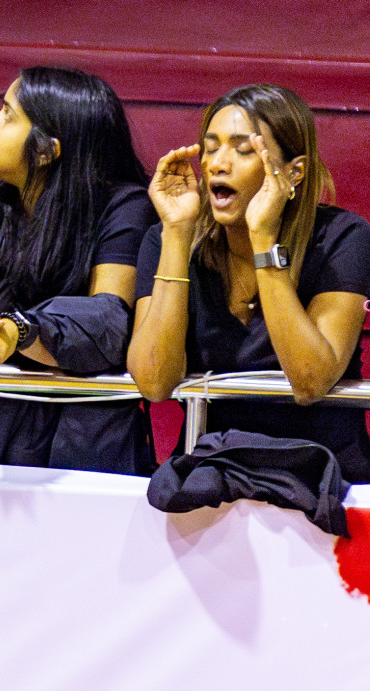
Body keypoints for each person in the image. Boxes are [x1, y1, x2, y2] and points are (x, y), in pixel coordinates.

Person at [0, 66, 157, 474]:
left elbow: (109, 323)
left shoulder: (126, 208)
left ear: (46, 150)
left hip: (85, 439)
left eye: (7, 114)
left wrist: (17, 331)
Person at [129, 84, 370, 481]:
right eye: (210, 148)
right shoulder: (167, 239)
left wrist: (264, 240)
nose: (217, 164)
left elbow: (310, 380)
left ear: (294, 171)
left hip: (320, 478)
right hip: (208, 476)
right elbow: (154, 381)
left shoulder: (343, 238)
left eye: (243, 150)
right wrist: (175, 234)